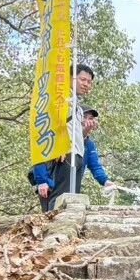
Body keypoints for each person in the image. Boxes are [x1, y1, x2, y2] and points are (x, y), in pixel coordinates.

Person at [32, 64, 100, 211]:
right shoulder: (61, 100)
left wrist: (86, 129)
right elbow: (43, 131)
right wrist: (41, 178)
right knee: (59, 200)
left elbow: (75, 135)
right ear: (71, 78)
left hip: (77, 155)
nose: (86, 85)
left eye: (89, 82)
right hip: (64, 155)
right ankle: (54, 230)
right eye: (83, 79)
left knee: (70, 199)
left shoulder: (77, 108)